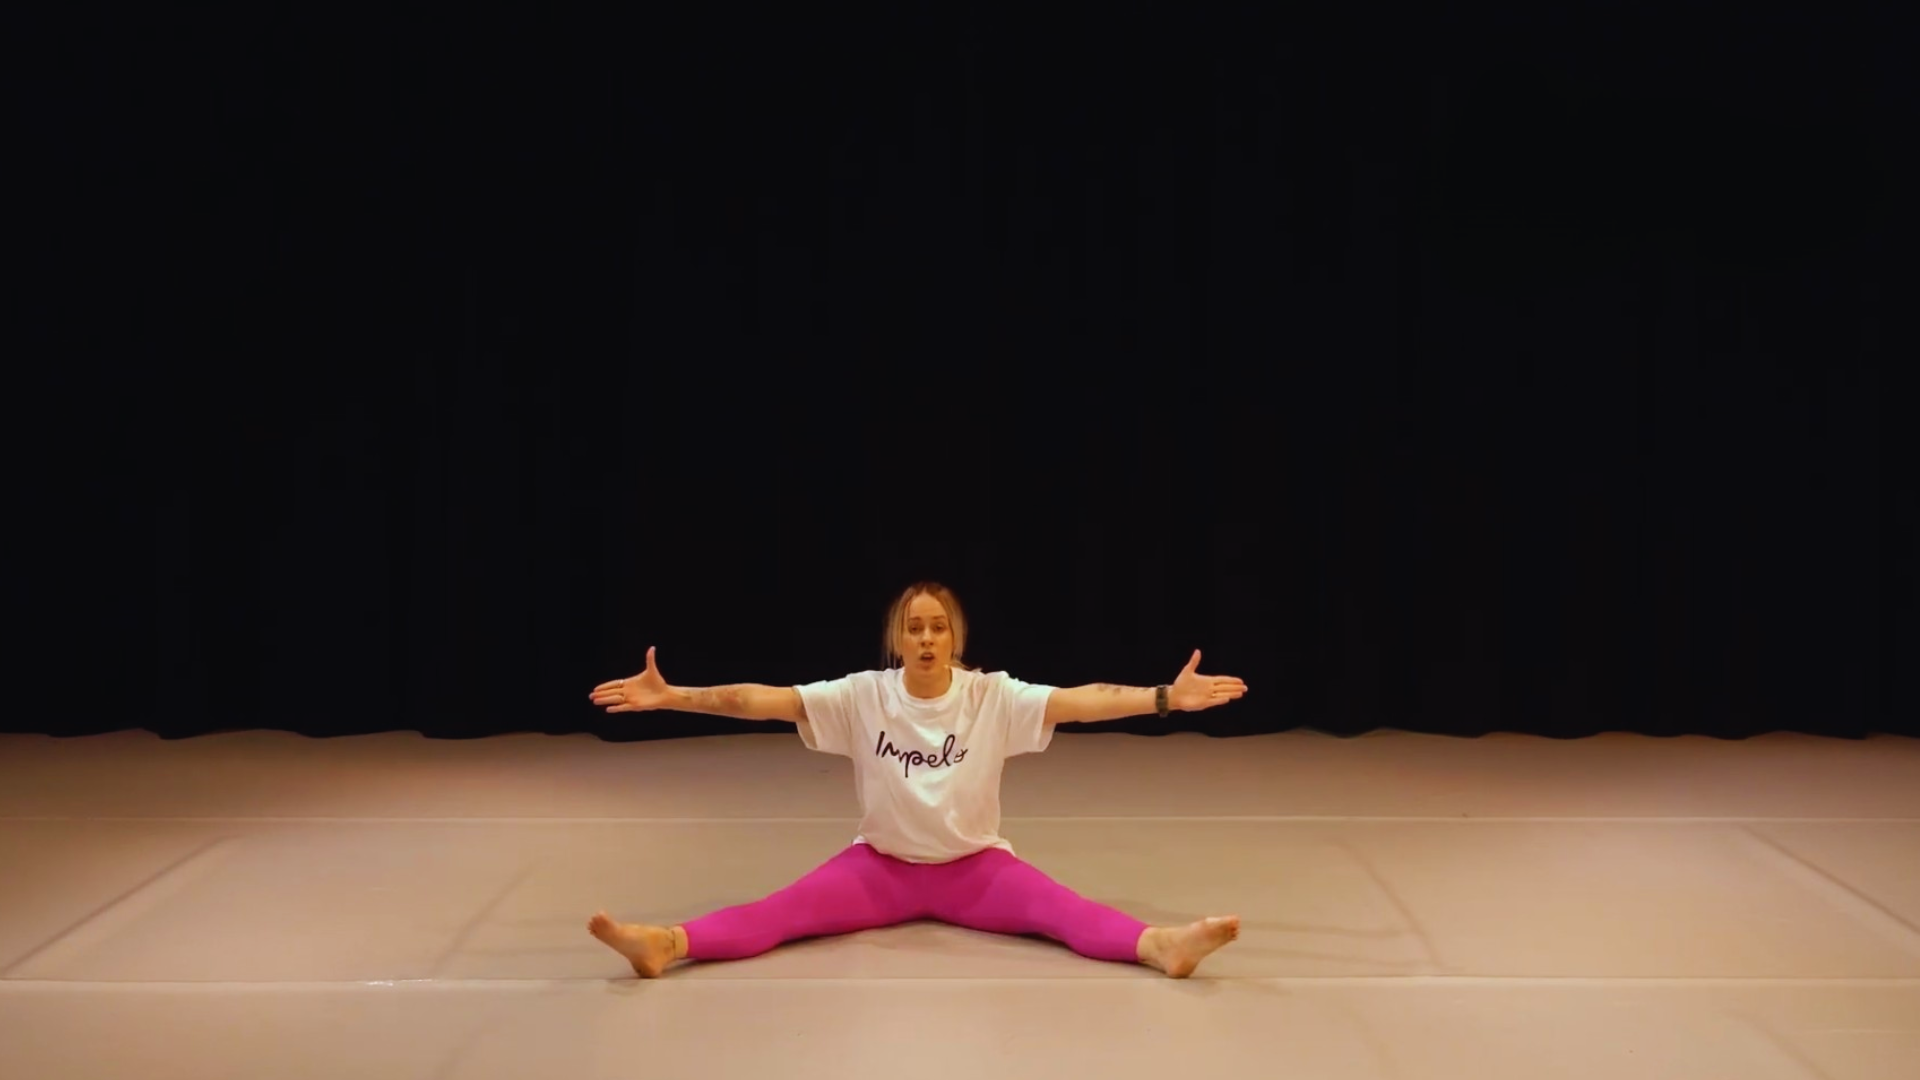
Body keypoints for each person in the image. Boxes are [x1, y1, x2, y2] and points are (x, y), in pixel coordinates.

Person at [584, 581, 1249, 978]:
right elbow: (765, 699)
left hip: (975, 869)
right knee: (778, 913)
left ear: (954, 637)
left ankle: (1163, 946)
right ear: (899, 639)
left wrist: (1167, 697)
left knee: (1067, 914)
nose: (927, 638)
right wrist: (672, 696)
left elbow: (1083, 700)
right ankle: (665, 944)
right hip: (880, 870)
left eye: (939, 627)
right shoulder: (862, 695)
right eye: (915, 627)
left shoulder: (992, 695)